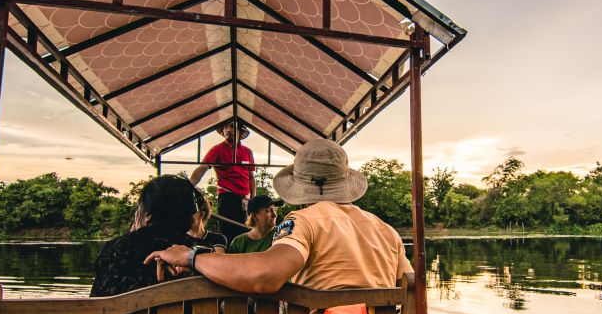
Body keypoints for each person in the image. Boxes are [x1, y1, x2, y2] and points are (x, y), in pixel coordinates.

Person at [145, 138, 413, 297]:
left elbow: (265, 276)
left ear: (300, 186)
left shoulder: (302, 220)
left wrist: (192, 257)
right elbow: (410, 291)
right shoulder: (385, 229)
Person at [90, 175, 225, 297]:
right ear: (190, 216)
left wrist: (132, 236)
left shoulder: (115, 249)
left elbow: (97, 306)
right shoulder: (200, 253)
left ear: (147, 213)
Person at [189, 120, 255, 241]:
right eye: (225, 127)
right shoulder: (217, 149)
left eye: (232, 127)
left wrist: (253, 200)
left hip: (245, 200)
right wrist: (188, 186)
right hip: (228, 198)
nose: (228, 130)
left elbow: (251, 177)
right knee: (229, 232)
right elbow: (203, 167)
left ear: (240, 132)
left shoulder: (247, 152)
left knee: (245, 232)